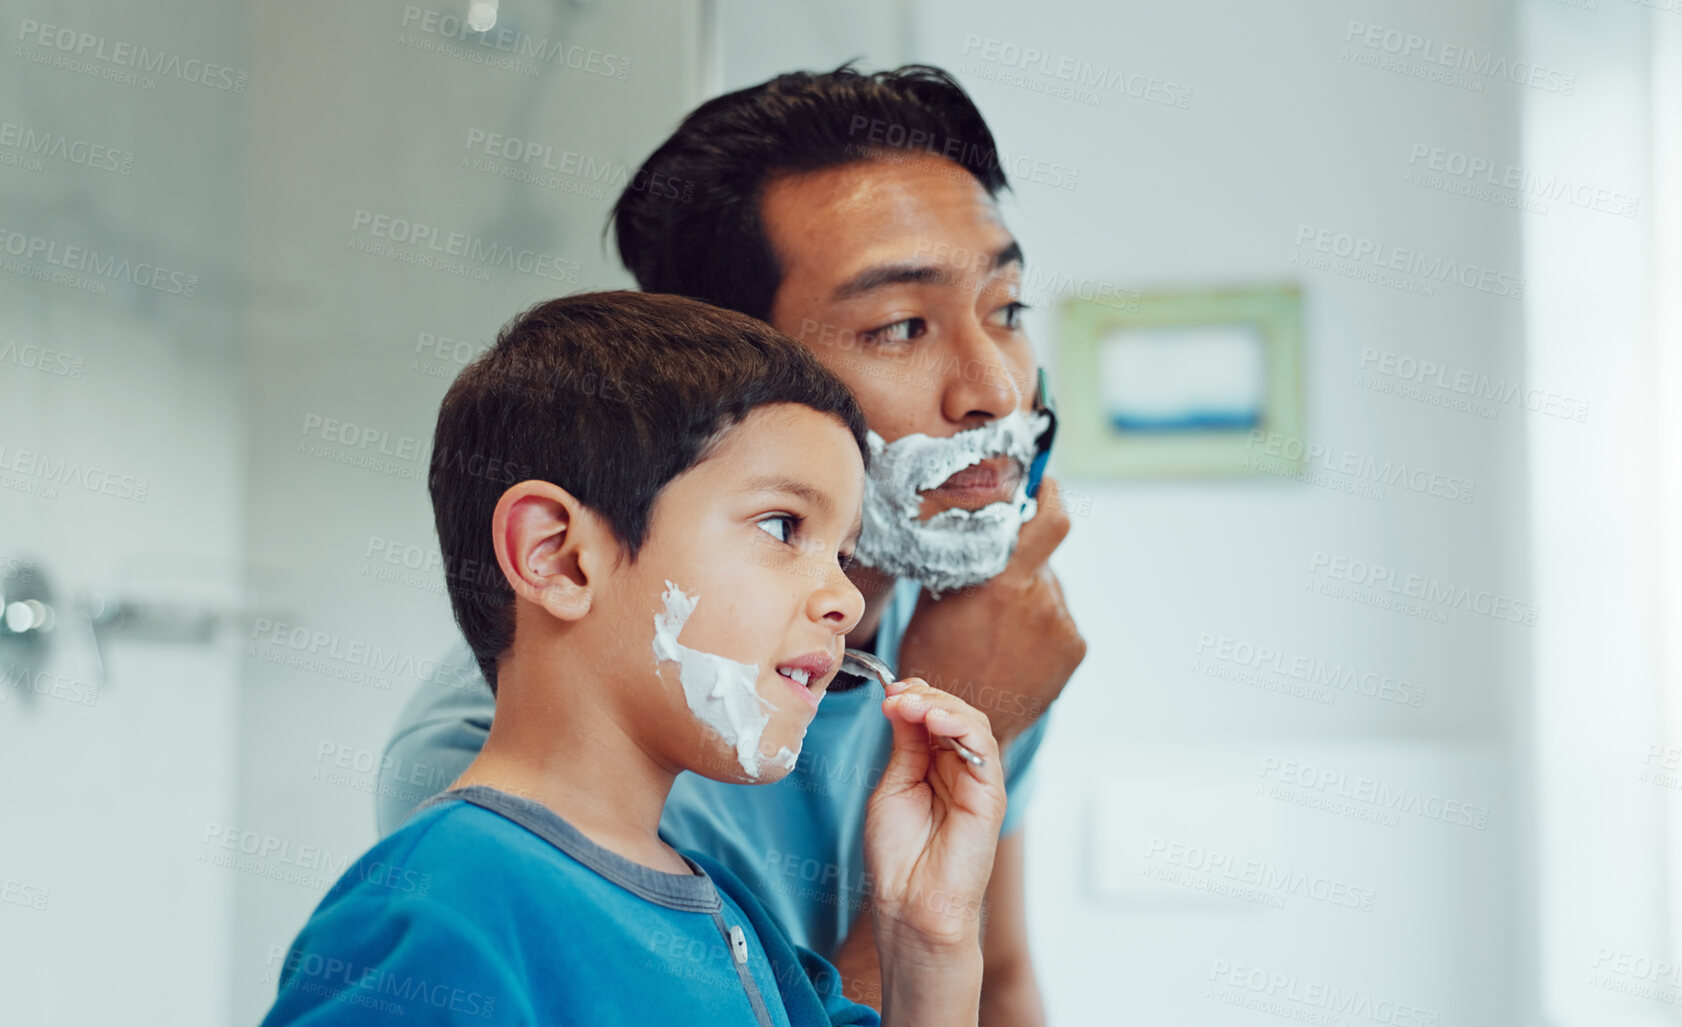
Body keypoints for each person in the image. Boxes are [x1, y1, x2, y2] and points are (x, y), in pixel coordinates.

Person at [379, 65, 1086, 1021]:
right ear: (739, 376)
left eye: (1005, 309)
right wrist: (975, 723)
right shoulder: (510, 765)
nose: (995, 389)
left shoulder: (982, 631)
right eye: (899, 325)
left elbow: (999, 983)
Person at [264, 291, 1004, 1025]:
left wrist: (928, 934)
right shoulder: (443, 906)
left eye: (843, 553)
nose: (842, 597)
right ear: (558, 557)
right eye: (782, 525)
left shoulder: (732, 919)